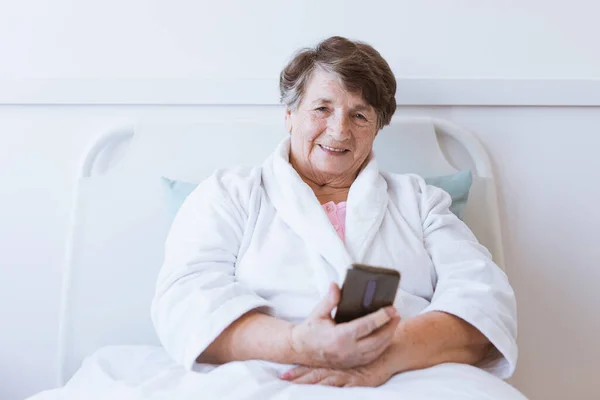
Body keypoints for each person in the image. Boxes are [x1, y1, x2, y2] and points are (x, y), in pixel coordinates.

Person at [151, 36, 518, 389]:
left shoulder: (420, 201)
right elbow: (186, 302)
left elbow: (484, 302)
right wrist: (298, 344)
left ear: (377, 128)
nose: (339, 130)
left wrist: (385, 356)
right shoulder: (228, 193)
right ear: (290, 114)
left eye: (359, 115)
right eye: (322, 108)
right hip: (264, 371)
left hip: (408, 373)